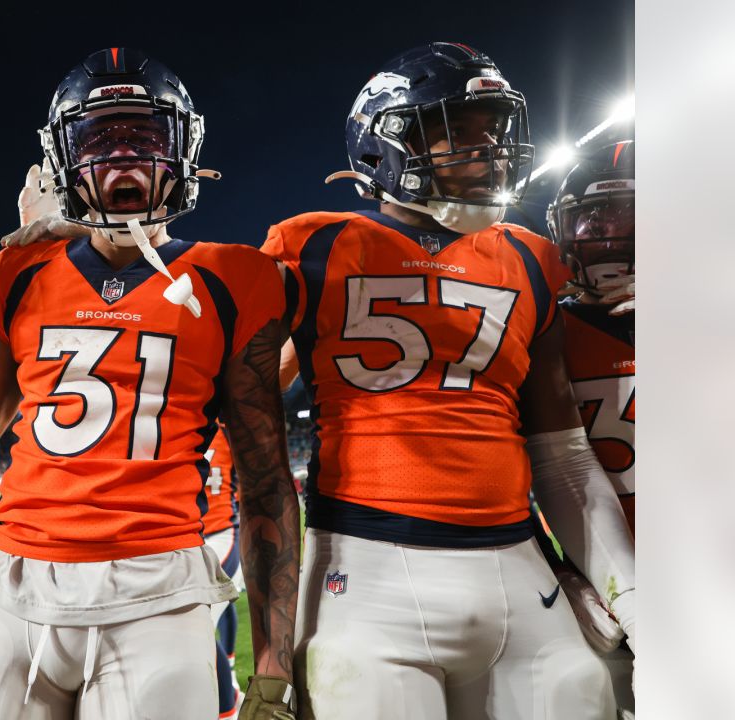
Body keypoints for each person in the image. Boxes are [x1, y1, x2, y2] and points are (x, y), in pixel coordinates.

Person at [0, 49, 301, 720]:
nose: (126, 157)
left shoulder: (237, 278)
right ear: (61, 159)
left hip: (158, 589)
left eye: (147, 136)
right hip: (11, 584)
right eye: (100, 138)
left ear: (185, 149)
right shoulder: (18, 272)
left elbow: (268, 483)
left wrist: (276, 665)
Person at [263, 42, 635, 718]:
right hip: (365, 560)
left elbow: (562, 454)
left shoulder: (529, 256)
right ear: (387, 144)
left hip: (517, 561)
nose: (487, 149)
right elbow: (235, 403)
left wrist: (627, 590)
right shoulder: (308, 245)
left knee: (582, 695)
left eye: (493, 130)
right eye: (457, 132)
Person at [547, 139, 637, 715]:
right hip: (606, 592)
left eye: (626, 216)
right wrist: (558, 572)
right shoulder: (544, 333)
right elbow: (501, 480)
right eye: (590, 219)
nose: (606, 234)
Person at [202, 425, 245, 718]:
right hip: (185, 540)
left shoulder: (229, 429)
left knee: (199, 624)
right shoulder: (173, 419)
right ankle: (230, 686)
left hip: (221, 534)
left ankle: (226, 710)